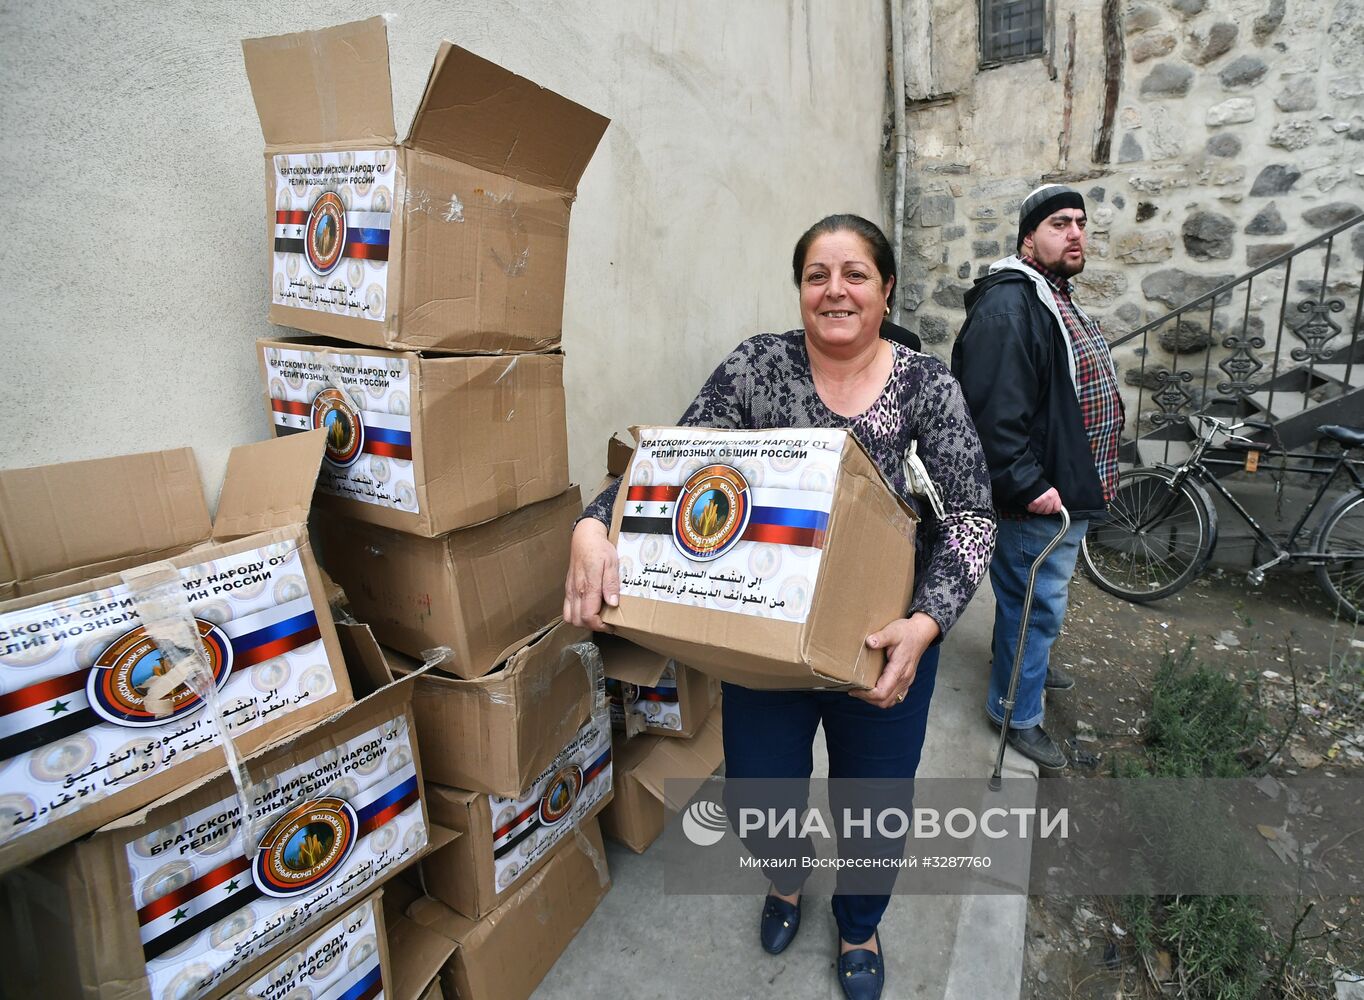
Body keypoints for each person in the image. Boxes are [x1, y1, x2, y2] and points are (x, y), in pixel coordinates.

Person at [565, 214, 996, 1000]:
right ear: (800, 289)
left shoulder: (926, 385)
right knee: (760, 794)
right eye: (817, 274)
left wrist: (926, 623)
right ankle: (786, 882)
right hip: (763, 640)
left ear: (886, 286)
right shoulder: (759, 368)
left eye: (855, 273)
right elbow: (678, 465)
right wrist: (595, 523)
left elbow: (970, 517)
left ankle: (859, 924)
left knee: (875, 810)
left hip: (881, 642)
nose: (835, 289)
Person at [950, 184, 1124, 771]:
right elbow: (992, 411)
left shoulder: (1050, 295)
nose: (1075, 232)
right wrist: (1027, 485)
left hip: (1063, 488)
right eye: (1058, 224)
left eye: (1080, 222)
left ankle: (1030, 669)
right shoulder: (1010, 305)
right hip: (1036, 500)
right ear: (1029, 238)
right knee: (1032, 604)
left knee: (1035, 602)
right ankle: (1014, 714)